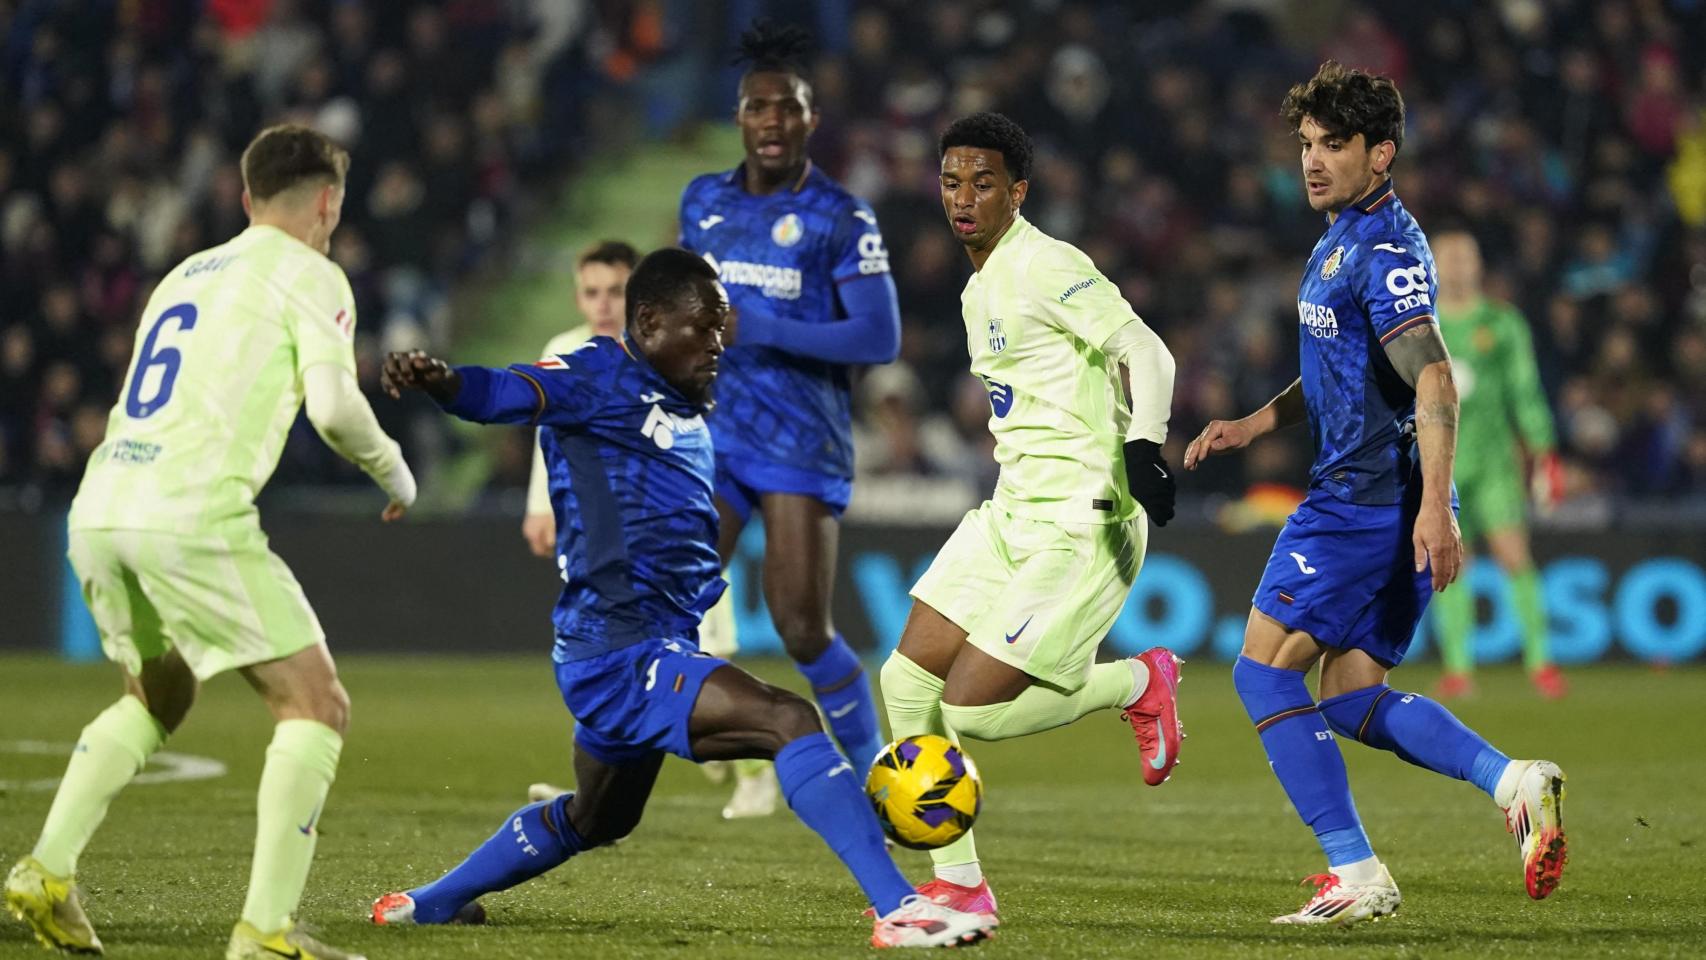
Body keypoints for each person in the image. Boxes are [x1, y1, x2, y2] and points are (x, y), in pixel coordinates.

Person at [368, 248, 996, 949]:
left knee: (597, 819)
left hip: (641, 643)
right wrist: (443, 381)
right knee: (787, 718)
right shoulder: (598, 372)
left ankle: (429, 902)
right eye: (702, 329)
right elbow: (502, 394)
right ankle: (901, 907)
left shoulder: (691, 406)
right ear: (650, 321)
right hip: (621, 646)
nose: (716, 344)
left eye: (722, 329)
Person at [5, 124, 415, 960]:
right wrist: (397, 473)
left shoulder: (184, 273)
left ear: (243, 197)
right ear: (329, 201)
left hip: (101, 505)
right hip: (188, 514)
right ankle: (264, 932)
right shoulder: (314, 273)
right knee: (315, 704)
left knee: (158, 695)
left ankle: (46, 872)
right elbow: (336, 410)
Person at [1182, 62, 1567, 925]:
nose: (1312, 161)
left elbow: (1432, 374)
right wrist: (1255, 424)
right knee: (1351, 697)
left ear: (1381, 152)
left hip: (1362, 506)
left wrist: (1434, 508)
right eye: (1307, 144)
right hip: (1379, 502)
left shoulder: (1386, 251)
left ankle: (1355, 874)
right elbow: (1340, 365)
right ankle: (1514, 782)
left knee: (1261, 674)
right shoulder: (1342, 235)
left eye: (1335, 145)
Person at [875, 111, 1184, 919]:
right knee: (905, 682)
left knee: (973, 712)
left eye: (982, 182)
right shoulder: (981, 287)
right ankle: (961, 888)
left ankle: (1135, 680)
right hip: (1014, 511)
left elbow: (1148, 352)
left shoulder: (1048, 264)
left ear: (1018, 191)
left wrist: (1146, 449)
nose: (963, 198)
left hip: (1085, 518)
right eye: (950, 181)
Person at [676, 21, 901, 819]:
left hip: (800, 443)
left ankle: (873, 767)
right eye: (757, 107)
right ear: (738, 118)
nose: (772, 120)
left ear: (812, 120)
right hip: (715, 436)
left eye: (789, 107)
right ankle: (632, 756)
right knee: (666, 595)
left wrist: (762, 327)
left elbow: (879, 336)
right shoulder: (702, 202)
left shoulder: (842, 217)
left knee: (801, 627)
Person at [1430, 228, 1567, 700]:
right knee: (1451, 565)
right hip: (1436, 465)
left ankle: (1540, 662)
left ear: (1479, 265)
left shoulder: (1503, 323)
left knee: (1514, 555)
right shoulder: (1418, 325)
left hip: (1493, 462)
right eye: (1447, 256)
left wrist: (1544, 451)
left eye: (1465, 257)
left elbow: (1524, 391)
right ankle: (1458, 669)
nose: (1457, 266)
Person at [520, 240, 639, 559]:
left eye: (615, 292)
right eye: (592, 293)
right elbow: (548, 436)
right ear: (578, 300)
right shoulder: (560, 353)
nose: (603, 305)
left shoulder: (663, 355)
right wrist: (539, 506)